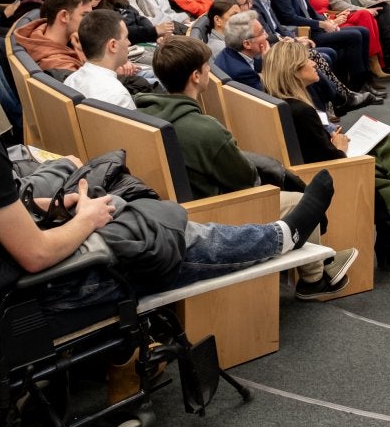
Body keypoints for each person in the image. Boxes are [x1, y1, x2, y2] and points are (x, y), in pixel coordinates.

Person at [0, 0, 338, 299]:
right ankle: (280, 237)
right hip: (15, 289)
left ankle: (273, 235)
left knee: (126, 211)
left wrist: (51, 203)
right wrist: (86, 217)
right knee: (159, 241)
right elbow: (36, 254)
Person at [137, 35, 358, 299]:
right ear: (196, 76)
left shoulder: (143, 114)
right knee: (298, 200)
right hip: (211, 211)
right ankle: (314, 279)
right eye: (206, 66)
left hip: (164, 212)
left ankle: (320, 263)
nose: (209, 71)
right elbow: (243, 179)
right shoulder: (203, 129)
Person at [260, 40, 390, 267]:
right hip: (326, 173)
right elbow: (333, 162)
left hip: (312, 165)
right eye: (307, 60)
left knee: (388, 142)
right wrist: (339, 146)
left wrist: (330, 137)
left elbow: (312, 145)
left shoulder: (284, 102)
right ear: (294, 70)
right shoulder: (301, 111)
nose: (314, 63)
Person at [271, 0, 376, 92]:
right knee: (355, 35)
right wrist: (321, 24)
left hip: (315, 27)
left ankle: (367, 80)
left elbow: (311, 11)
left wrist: (328, 21)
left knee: (363, 31)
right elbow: (289, 18)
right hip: (306, 33)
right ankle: (357, 86)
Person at [300, 0, 388, 78]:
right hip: (324, 22)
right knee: (363, 18)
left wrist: (336, 15)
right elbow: (313, 12)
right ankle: (369, 69)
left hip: (332, 16)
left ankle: (371, 68)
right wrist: (332, 20)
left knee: (370, 19)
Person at [64, 9, 136, 110]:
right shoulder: (119, 97)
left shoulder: (70, 81)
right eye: (126, 38)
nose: (129, 43)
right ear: (113, 45)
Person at [14, 0, 92, 72]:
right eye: (84, 15)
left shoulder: (39, 32)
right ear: (64, 16)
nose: (90, 22)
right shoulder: (61, 66)